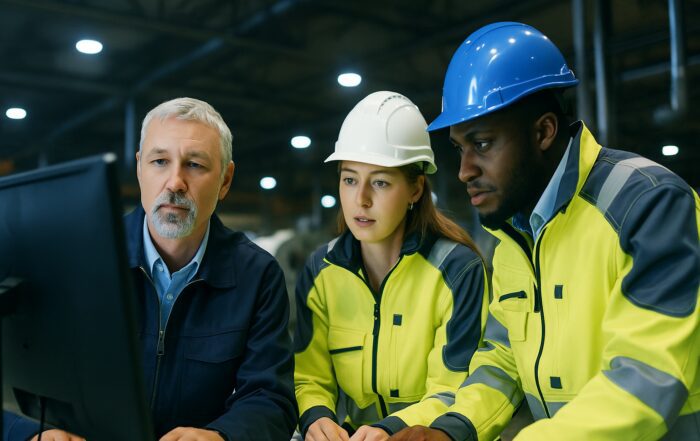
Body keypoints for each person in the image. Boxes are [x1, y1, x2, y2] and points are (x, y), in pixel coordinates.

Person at [389, 22, 700, 441]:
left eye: (481, 144)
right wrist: (449, 431)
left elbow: (645, 377)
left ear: (543, 132)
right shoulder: (515, 237)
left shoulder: (648, 205)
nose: (464, 171)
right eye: (459, 149)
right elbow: (502, 361)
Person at [3, 97, 298, 441]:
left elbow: (271, 398)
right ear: (140, 167)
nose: (175, 182)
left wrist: (221, 436)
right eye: (160, 161)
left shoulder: (257, 275)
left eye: (195, 165)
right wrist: (29, 433)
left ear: (226, 180)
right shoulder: (74, 260)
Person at [294, 91, 489, 441]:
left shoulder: (458, 270)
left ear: (415, 189)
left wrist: (390, 429)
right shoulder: (320, 271)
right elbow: (309, 376)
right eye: (349, 179)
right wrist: (316, 417)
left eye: (380, 182)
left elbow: (454, 388)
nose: (361, 199)